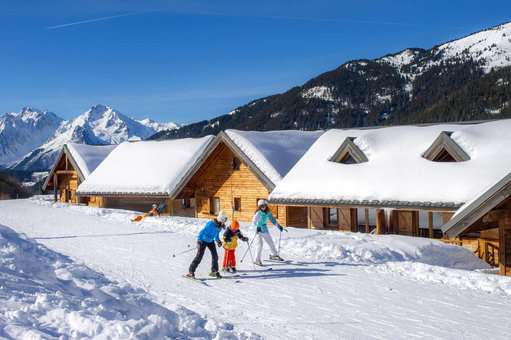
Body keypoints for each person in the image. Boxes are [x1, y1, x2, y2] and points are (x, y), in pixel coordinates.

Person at [186, 211, 227, 279]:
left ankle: (214, 271)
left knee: (215, 256)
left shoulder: (219, 227)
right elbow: (202, 232)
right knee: (199, 256)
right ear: (220, 220)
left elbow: (216, 235)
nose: (223, 223)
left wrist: (218, 241)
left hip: (210, 241)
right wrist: (199, 241)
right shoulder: (210, 224)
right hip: (202, 241)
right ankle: (191, 272)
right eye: (223, 221)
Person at [253, 199, 285, 265]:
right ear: (259, 207)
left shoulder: (268, 212)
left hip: (264, 228)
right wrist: (257, 227)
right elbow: (254, 222)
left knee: (270, 242)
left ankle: (274, 255)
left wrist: (278, 226)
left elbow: (272, 220)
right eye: (261, 206)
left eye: (264, 206)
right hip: (258, 230)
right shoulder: (258, 213)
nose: (263, 207)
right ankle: (257, 260)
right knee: (260, 244)